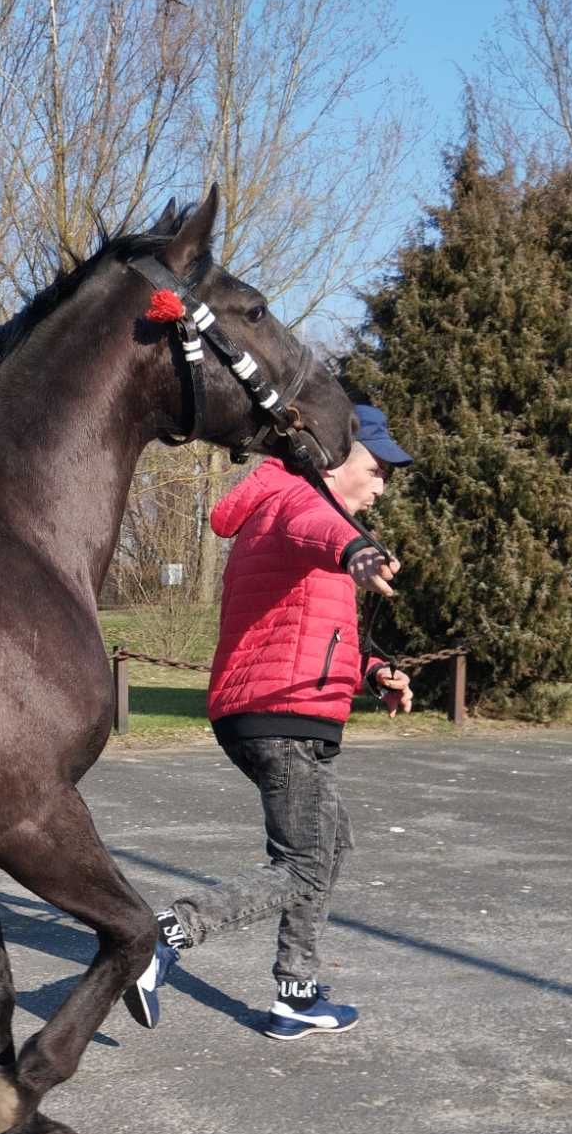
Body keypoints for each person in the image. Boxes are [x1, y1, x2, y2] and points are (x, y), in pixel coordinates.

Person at [125, 404, 414, 1041]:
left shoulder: (288, 510)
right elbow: (318, 527)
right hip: (281, 715)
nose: (383, 485)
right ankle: (166, 934)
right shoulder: (296, 501)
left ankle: (299, 993)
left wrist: (373, 673)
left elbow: (317, 628)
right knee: (305, 862)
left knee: (326, 843)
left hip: (279, 709)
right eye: (377, 468)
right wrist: (357, 548)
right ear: (333, 458)